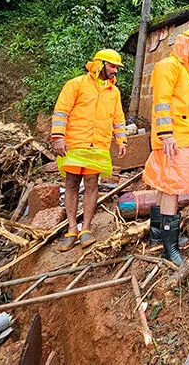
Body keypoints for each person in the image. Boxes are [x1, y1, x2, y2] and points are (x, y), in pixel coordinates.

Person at [144, 27, 189, 264]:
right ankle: (170, 247)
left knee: (164, 183)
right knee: (171, 187)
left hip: (186, 135)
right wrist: (166, 134)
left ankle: (157, 234)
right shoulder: (168, 66)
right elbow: (161, 103)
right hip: (172, 138)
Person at [51, 49, 127, 252]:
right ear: (99, 64)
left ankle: (86, 229)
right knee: (72, 182)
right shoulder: (76, 84)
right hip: (75, 143)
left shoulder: (114, 92)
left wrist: (122, 141)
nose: (115, 72)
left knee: (93, 183)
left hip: (98, 145)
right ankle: (71, 229)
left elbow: (118, 119)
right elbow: (61, 111)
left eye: (117, 68)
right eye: (112, 67)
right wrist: (58, 137)